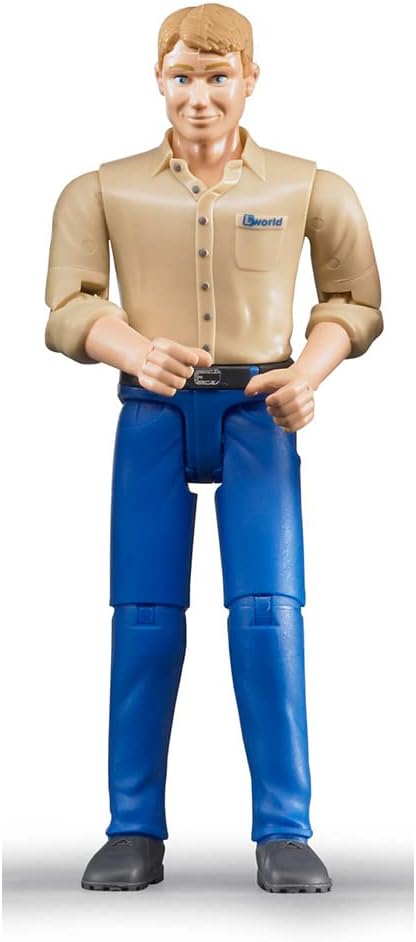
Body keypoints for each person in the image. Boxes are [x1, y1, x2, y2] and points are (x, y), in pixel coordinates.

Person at [45, 3, 382, 894]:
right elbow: (69, 306)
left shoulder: (311, 187)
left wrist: (307, 373)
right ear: (158, 80)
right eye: (183, 76)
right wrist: (132, 350)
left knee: (269, 615)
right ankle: (132, 827)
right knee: (143, 620)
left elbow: (355, 300)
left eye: (218, 76)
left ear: (251, 80)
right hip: (152, 412)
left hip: (259, 413)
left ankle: (285, 829)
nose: (200, 95)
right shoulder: (101, 190)